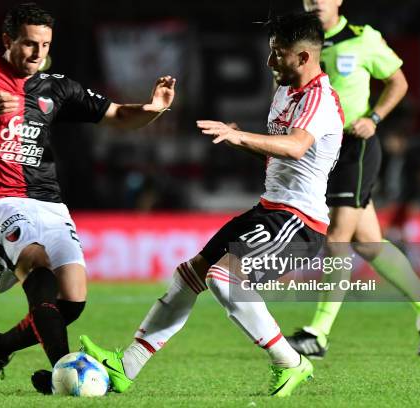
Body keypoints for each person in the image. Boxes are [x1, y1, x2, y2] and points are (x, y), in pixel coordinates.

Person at [80, 12, 343, 397]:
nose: (270, 62)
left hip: (299, 224)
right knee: (191, 274)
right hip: (270, 210)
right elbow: (281, 157)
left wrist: (240, 139)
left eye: (278, 54)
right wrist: (243, 139)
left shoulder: (319, 98)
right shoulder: (286, 90)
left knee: (224, 278)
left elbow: (296, 146)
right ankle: (127, 365)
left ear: (304, 58)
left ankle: (291, 361)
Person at [0, 2, 175, 394]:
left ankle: (0, 347)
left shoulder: (56, 86)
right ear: (7, 40)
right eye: (28, 44)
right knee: (38, 269)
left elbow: (118, 115)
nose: (37, 53)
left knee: (72, 301)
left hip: (49, 201)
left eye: (44, 44)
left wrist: (155, 108)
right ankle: (64, 371)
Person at [286, 0, 420, 359]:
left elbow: (398, 82)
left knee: (336, 239)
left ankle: (319, 333)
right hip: (319, 151)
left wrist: (375, 118)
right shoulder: (299, 44)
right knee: (369, 243)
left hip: (355, 147)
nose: (314, 3)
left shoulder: (363, 40)